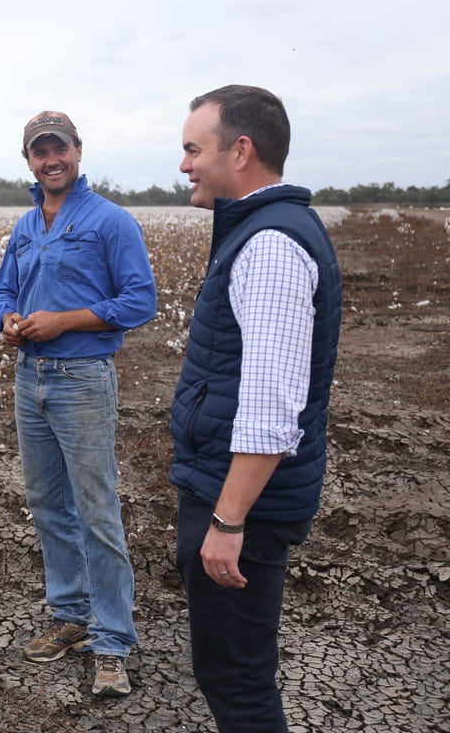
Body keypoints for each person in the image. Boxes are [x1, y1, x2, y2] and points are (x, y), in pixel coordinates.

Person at [171, 85, 342, 732]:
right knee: (234, 673)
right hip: (233, 490)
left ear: (241, 150)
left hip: (243, 504)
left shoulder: (270, 246)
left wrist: (229, 519)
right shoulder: (264, 231)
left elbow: (273, 408)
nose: (184, 164)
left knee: (237, 682)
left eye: (193, 148)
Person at [0, 111, 158, 697]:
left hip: (82, 378)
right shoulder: (27, 224)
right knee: (46, 501)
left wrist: (66, 320)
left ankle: (111, 641)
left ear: (78, 151)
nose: (50, 159)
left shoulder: (111, 221)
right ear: (29, 161)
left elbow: (139, 300)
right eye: (39, 152)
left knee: (96, 508)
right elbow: (4, 290)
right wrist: (6, 320)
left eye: (59, 148)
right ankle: (71, 614)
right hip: (29, 377)